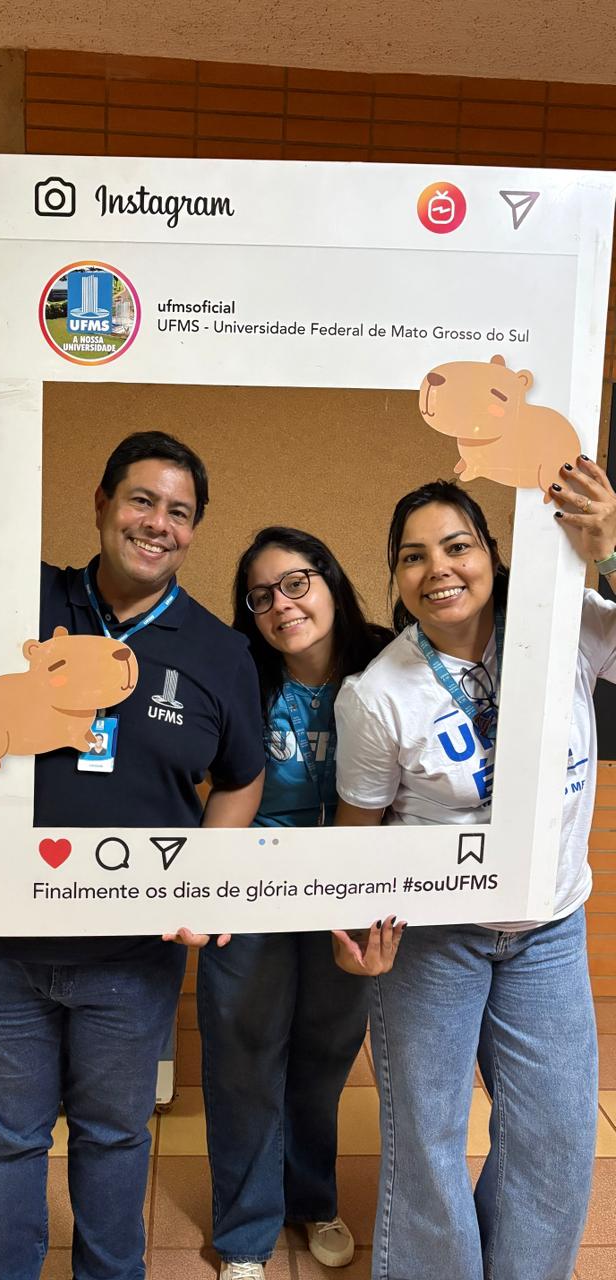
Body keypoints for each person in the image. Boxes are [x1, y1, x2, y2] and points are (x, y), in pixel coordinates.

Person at [0, 344, 265, 1280]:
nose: (158, 523)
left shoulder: (219, 653)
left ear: (194, 532)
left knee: (114, 1136)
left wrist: (204, 884)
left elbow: (241, 778)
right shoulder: (17, 595)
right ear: (101, 504)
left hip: (130, 956)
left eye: (179, 512)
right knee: (6, 1139)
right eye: (141, 500)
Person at [331, 464, 616, 1280]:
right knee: (427, 1140)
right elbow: (357, 836)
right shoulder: (378, 693)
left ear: (492, 553)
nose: (438, 569)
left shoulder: (564, 628)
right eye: (413, 556)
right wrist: (352, 933)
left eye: (457, 546)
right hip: (431, 936)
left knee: (557, 1136)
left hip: (548, 927)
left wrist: (611, 552)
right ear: (396, 577)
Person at [196, 526, 398, 1280]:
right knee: (243, 1057)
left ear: (330, 579)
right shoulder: (241, 677)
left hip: (351, 896)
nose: (281, 605)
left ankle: (313, 1200)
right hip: (253, 895)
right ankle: (245, 1233)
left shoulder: (388, 664)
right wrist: (207, 888)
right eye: (261, 596)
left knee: (325, 1054)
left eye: (295, 583)